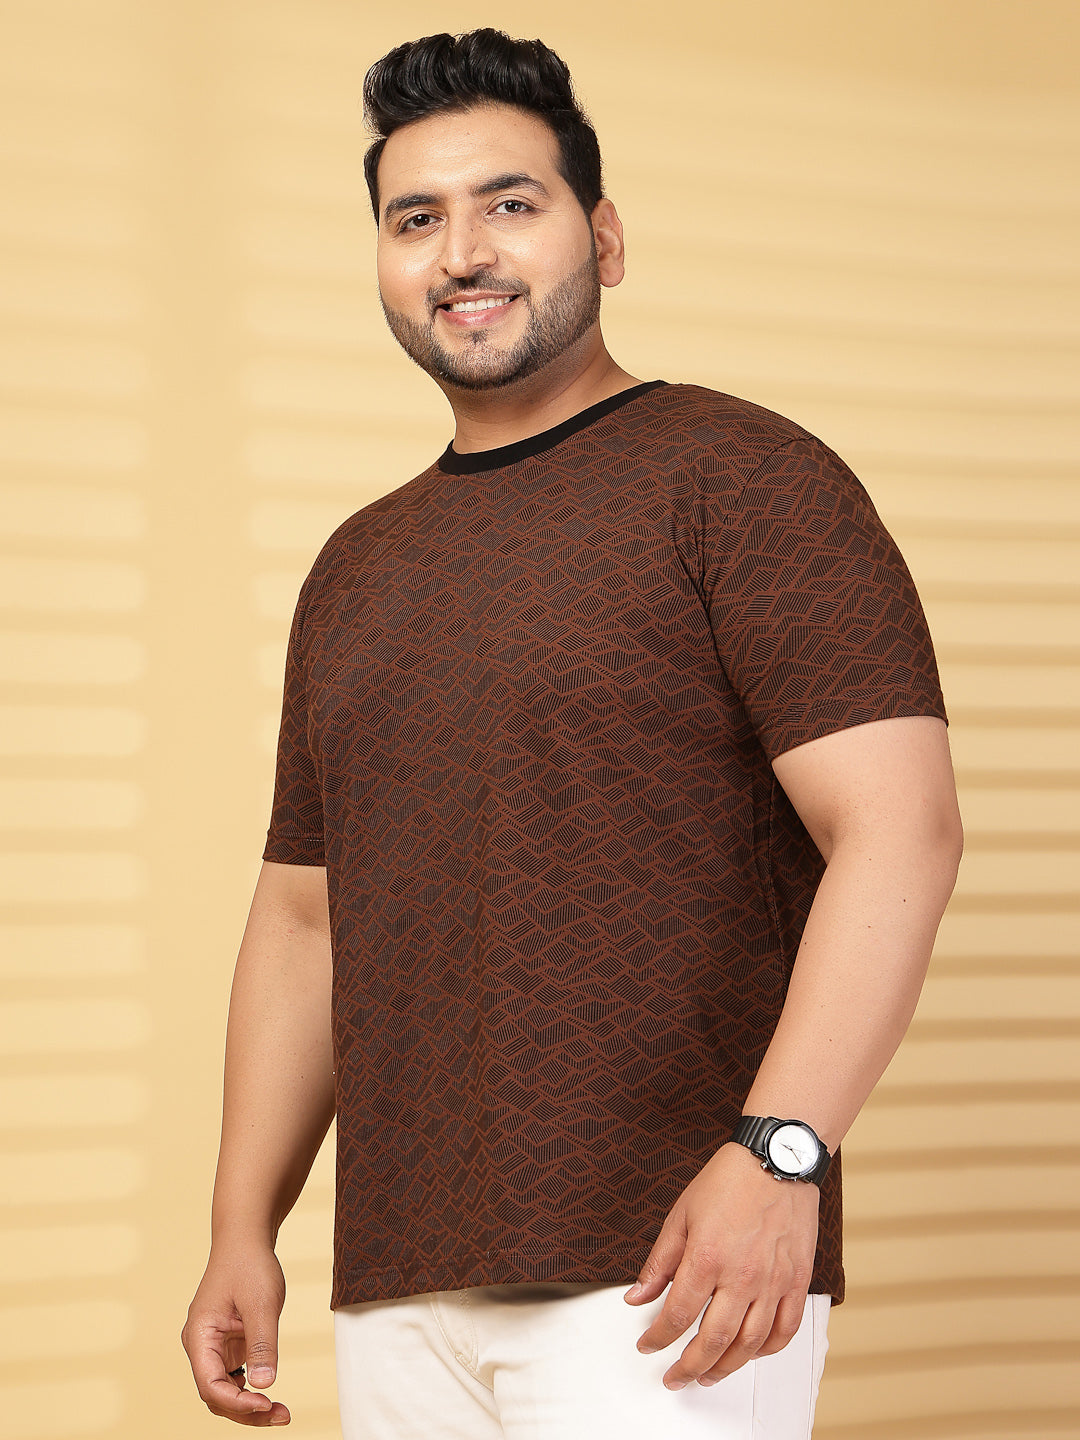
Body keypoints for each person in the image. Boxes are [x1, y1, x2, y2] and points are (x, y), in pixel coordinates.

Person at [182, 27, 963, 1440]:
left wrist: (780, 1157)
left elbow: (899, 829)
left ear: (601, 238)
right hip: (400, 1287)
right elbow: (304, 918)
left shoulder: (743, 479)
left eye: (510, 203)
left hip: (668, 1270)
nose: (462, 252)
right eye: (416, 219)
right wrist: (245, 1226)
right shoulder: (356, 566)